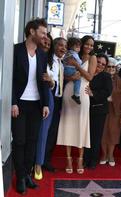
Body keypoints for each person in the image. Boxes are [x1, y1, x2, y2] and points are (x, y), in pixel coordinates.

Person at [11, 18, 49, 195]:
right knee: (19, 142)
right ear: (32, 32)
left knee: (32, 142)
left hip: (36, 104)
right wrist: (13, 102)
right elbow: (8, 79)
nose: (45, 36)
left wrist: (46, 104)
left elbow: (43, 80)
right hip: (19, 103)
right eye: (42, 32)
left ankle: (27, 175)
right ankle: (19, 177)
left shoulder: (42, 54)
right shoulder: (16, 50)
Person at [56, 35, 96, 174]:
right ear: (81, 44)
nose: (89, 47)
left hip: (83, 94)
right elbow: (62, 75)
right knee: (68, 126)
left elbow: (90, 77)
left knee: (81, 126)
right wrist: (71, 77)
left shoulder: (92, 58)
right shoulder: (70, 55)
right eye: (87, 44)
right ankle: (68, 159)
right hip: (69, 92)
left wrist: (77, 65)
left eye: (92, 45)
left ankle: (79, 159)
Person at [42, 38, 68, 172]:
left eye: (65, 46)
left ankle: (46, 160)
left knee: (52, 133)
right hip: (49, 99)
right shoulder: (48, 60)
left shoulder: (61, 63)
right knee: (45, 132)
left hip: (58, 101)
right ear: (54, 46)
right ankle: (40, 161)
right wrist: (52, 83)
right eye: (60, 45)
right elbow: (46, 79)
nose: (63, 48)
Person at [83, 53, 112, 169]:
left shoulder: (106, 76)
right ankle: (85, 159)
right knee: (85, 135)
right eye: (98, 62)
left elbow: (107, 92)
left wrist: (93, 93)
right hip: (85, 109)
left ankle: (93, 160)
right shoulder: (87, 72)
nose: (100, 65)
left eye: (103, 64)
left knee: (95, 136)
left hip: (99, 110)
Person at [34, 33, 56, 180]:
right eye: (44, 43)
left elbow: (54, 84)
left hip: (47, 98)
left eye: (49, 44)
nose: (46, 46)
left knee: (42, 133)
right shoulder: (30, 56)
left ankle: (38, 164)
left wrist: (51, 81)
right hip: (30, 99)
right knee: (30, 134)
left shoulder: (51, 62)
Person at [100, 57, 121, 166]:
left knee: (113, 133)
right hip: (102, 108)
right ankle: (104, 155)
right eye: (109, 67)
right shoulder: (101, 77)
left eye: (113, 67)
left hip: (115, 110)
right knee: (103, 133)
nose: (111, 69)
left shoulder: (119, 80)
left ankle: (111, 155)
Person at [63, 37, 82, 104]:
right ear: (71, 46)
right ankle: (76, 95)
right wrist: (80, 63)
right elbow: (79, 62)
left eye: (79, 47)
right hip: (70, 69)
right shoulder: (73, 53)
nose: (78, 48)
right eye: (77, 46)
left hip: (66, 69)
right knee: (78, 80)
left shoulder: (67, 53)